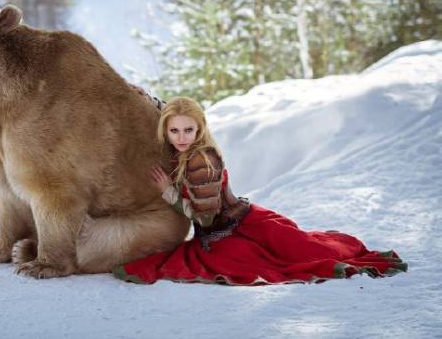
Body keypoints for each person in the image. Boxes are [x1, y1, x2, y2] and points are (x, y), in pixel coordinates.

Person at [113, 96, 407, 285]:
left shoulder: (200, 162)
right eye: (174, 130)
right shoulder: (184, 153)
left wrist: (168, 192)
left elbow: (204, 219)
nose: (180, 137)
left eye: (188, 130)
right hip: (244, 221)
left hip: (230, 232)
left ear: (199, 129)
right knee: (305, 247)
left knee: (303, 258)